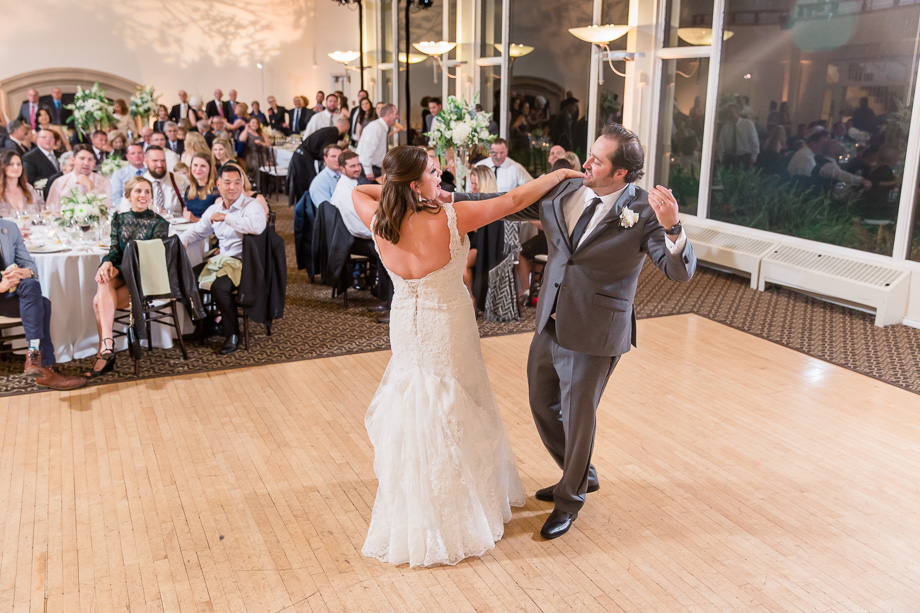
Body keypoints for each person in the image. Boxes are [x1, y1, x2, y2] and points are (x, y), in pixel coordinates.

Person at [351, 145, 583, 567]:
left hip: (407, 322)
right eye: (433, 173)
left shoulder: (379, 219)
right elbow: (512, 200)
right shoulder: (449, 219)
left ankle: (418, 504)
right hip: (448, 324)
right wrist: (556, 176)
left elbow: (361, 192)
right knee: (456, 405)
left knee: (416, 403)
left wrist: (396, 191)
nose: (441, 179)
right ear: (414, 183)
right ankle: (460, 508)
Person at [480, 124, 696, 540]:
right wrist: (446, 200)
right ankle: (582, 473)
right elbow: (506, 202)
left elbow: (678, 271)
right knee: (542, 404)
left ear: (619, 174)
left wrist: (673, 227)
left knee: (580, 418)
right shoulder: (567, 188)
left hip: (596, 330)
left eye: (598, 159)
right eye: (590, 153)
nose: (587, 162)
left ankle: (570, 498)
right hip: (552, 319)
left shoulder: (645, 212)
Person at [180, 163, 267, 354]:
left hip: (245, 263)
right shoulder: (215, 209)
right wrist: (183, 241)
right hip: (220, 261)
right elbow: (197, 231)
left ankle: (233, 333)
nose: (233, 187)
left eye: (237, 182)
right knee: (184, 281)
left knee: (220, 288)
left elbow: (257, 227)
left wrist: (227, 218)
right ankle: (206, 323)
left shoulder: (251, 206)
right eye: (227, 183)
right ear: (218, 185)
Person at [89, 176, 170, 377]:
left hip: (143, 279)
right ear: (128, 195)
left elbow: (150, 261)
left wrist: (118, 269)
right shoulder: (119, 219)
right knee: (104, 278)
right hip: (122, 274)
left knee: (98, 301)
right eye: (138, 191)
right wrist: (107, 263)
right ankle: (108, 345)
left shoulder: (158, 223)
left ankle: (105, 349)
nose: (143, 195)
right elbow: (115, 250)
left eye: (147, 192)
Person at [0, 216, 86, 390]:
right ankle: (45, 369)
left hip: (8, 293)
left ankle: (34, 356)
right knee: (43, 304)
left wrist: (26, 272)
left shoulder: (8, 227)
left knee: (31, 285)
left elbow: (28, 263)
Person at [45, 144, 111, 211]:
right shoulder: (60, 182)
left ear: (94, 163)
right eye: (82, 158)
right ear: (73, 160)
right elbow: (51, 209)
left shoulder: (103, 182)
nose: (86, 163)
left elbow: (108, 207)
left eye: (90, 160)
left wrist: (90, 186)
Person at [131, 145, 189, 217]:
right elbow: (126, 209)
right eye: (155, 161)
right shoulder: (138, 183)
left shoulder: (180, 180)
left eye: (163, 161)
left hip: (177, 225)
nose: (160, 165)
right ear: (146, 162)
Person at [356, 103, 398, 181]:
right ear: (388, 114)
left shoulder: (381, 127)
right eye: (396, 114)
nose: (397, 116)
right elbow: (367, 150)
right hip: (368, 170)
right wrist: (368, 171)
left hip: (375, 169)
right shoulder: (376, 127)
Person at [716, 103, 760, 169]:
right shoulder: (725, 127)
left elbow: (754, 142)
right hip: (730, 157)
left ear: (737, 113)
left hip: (744, 157)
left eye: (731, 113)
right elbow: (721, 143)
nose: (729, 115)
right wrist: (720, 157)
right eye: (727, 113)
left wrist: (754, 157)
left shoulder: (748, 124)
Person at [0, 150, 41, 218]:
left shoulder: (28, 188)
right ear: (3, 167)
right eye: (11, 164)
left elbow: (42, 209)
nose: (16, 167)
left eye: (19, 164)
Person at [184, 153, 219, 221]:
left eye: (203, 166)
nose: (198, 169)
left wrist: (195, 219)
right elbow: (185, 213)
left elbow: (217, 222)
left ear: (210, 169)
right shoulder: (189, 189)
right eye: (195, 165)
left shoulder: (216, 191)